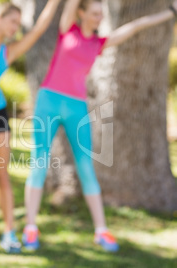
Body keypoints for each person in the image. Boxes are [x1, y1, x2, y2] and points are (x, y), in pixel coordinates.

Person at [23, 0, 177, 252]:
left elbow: (137, 25)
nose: (98, 18)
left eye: (101, 15)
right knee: (38, 162)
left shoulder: (99, 43)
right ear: (81, 13)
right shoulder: (67, 30)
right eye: (94, 13)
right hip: (48, 101)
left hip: (76, 108)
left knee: (87, 166)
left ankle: (101, 230)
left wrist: (170, 13)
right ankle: (30, 227)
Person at [0, 0, 62, 253]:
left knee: (2, 174)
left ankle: (9, 233)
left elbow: (40, 28)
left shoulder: (9, 51)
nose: (15, 27)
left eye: (18, 24)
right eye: (13, 21)